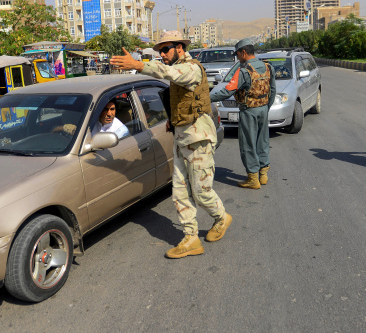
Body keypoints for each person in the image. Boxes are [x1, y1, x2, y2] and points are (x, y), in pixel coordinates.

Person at [110, 30, 231, 259]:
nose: (162, 54)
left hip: (198, 140)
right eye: (159, 50)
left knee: (202, 193)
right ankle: (191, 238)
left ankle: (222, 218)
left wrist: (138, 64)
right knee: (179, 192)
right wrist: (174, 122)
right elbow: (179, 99)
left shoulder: (191, 68)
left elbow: (170, 73)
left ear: (180, 48)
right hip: (181, 138)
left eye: (165, 49)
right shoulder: (177, 70)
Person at [210, 39, 276, 189]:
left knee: (248, 144)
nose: (237, 58)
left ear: (244, 52)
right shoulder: (267, 67)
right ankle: (263, 174)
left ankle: (253, 178)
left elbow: (227, 92)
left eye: (238, 54)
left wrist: (206, 97)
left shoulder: (244, 71)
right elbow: (273, 91)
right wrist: (266, 107)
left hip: (248, 111)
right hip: (263, 109)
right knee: (263, 141)